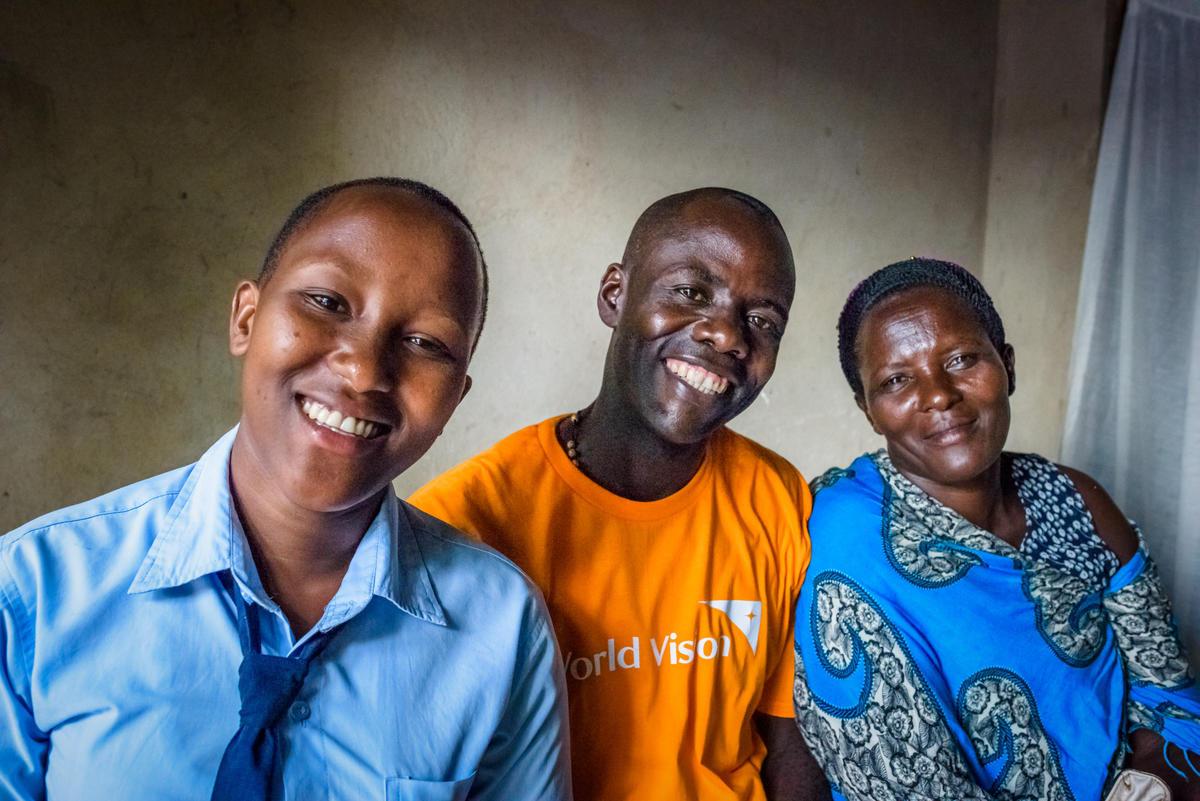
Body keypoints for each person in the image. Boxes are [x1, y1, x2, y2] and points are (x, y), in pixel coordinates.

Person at [0, 178, 571, 800]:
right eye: (327, 302)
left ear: (455, 397)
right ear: (245, 318)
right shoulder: (35, 591)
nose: (364, 368)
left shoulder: (500, 628)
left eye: (425, 344)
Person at [410, 187, 830, 801]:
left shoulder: (776, 496)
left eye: (762, 321)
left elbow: (788, 738)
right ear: (615, 295)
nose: (726, 335)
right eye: (692, 292)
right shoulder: (463, 522)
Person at [793, 257, 1200, 801]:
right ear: (868, 409)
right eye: (896, 380)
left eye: (961, 359)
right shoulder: (842, 535)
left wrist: (1152, 776)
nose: (938, 394)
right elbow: (906, 783)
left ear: (1007, 364)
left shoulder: (1075, 499)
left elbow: (1169, 687)